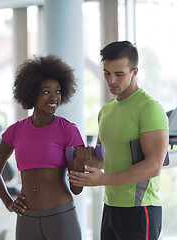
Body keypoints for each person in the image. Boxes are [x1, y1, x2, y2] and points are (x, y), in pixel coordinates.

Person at [68, 41, 169, 240]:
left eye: (119, 74)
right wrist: (81, 160)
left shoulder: (149, 109)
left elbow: (153, 166)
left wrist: (102, 179)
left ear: (135, 71)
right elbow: (102, 157)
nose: (111, 80)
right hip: (111, 206)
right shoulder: (106, 110)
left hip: (140, 209)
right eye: (106, 73)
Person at [0, 55, 86, 240]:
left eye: (57, 91)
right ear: (32, 93)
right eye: (46, 92)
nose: (54, 97)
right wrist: (8, 202)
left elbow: (77, 189)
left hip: (60, 217)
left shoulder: (68, 130)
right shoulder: (15, 131)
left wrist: (79, 165)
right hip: (26, 219)